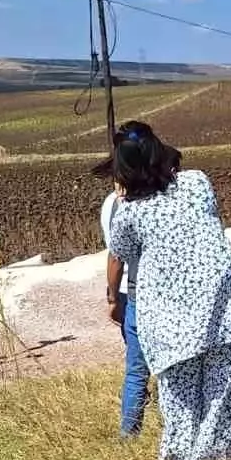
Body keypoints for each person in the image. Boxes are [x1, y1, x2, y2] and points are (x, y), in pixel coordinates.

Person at [107, 130, 231, 460]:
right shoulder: (197, 182)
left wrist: (111, 298)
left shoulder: (128, 213)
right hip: (225, 310)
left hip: (171, 325)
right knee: (219, 401)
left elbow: (125, 256)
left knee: (179, 404)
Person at [98, 121, 152, 436]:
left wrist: (112, 297)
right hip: (154, 294)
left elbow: (115, 257)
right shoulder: (165, 196)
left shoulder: (113, 205)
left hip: (131, 294)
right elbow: (116, 256)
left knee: (135, 371)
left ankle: (129, 435)